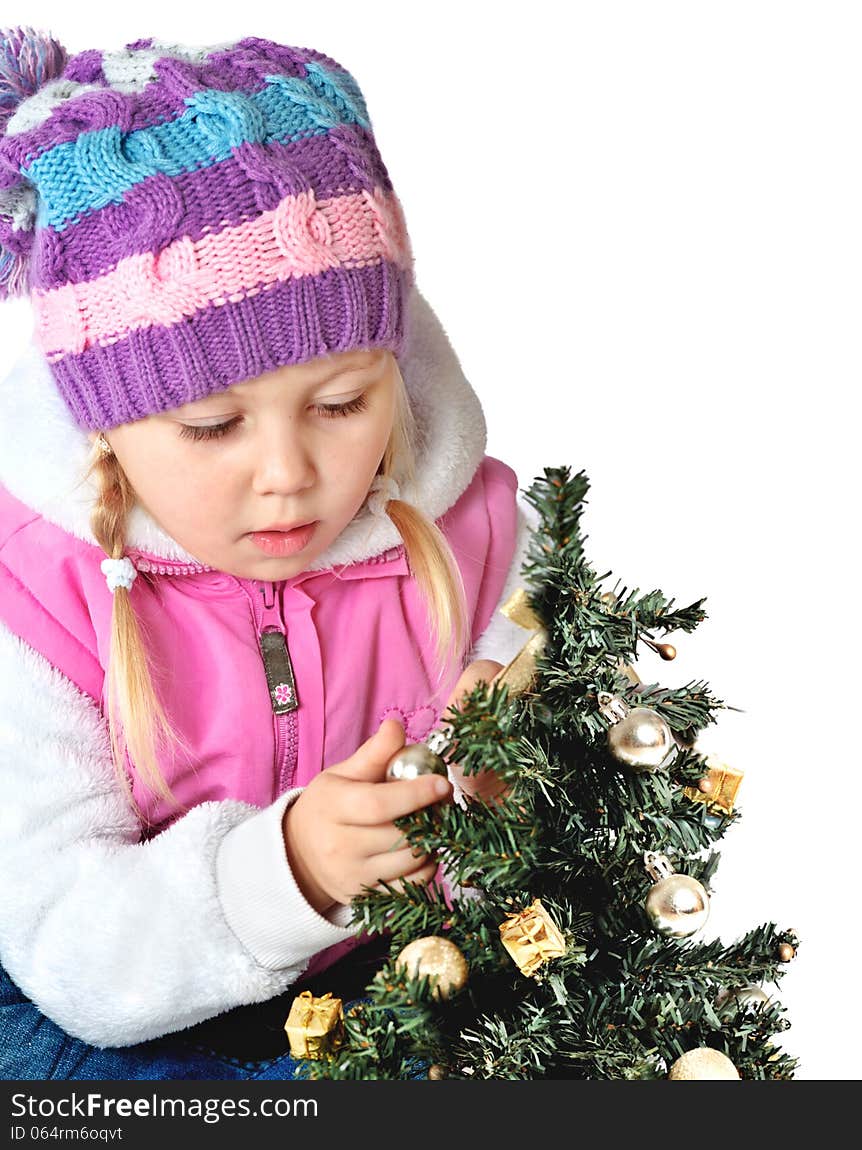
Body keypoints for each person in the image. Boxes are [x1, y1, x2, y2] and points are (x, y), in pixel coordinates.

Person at [0, 30, 536, 1079]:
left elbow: (561, 820)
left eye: (341, 403)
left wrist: (497, 807)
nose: (288, 473)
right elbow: (66, 942)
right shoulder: (37, 595)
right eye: (212, 426)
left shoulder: (477, 537)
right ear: (105, 422)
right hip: (113, 1010)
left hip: (391, 980)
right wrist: (286, 870)